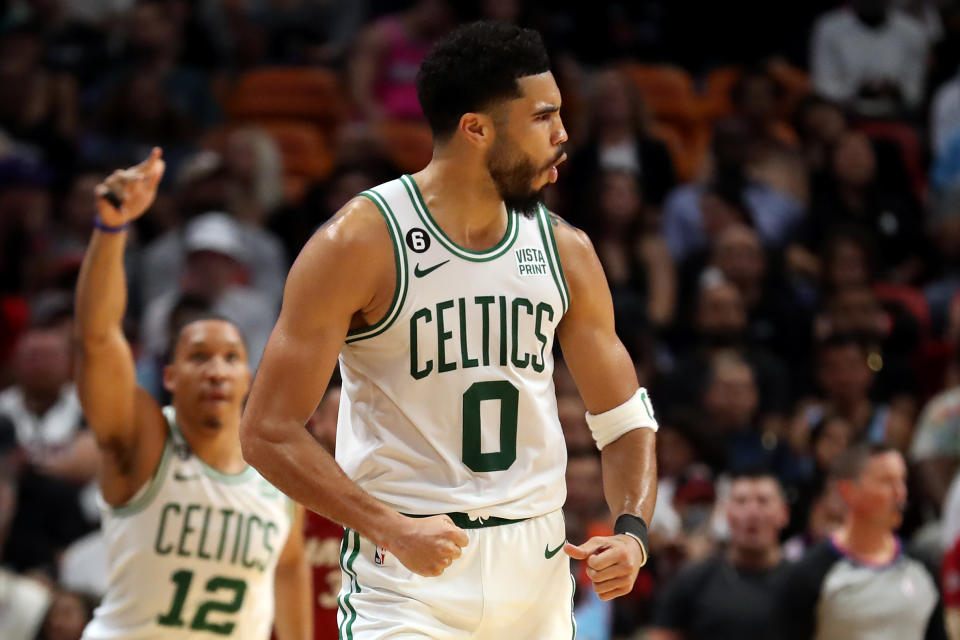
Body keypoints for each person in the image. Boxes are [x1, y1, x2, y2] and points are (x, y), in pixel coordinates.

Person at [239, 22, 658, 639]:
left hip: (536, 570)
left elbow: (624, 421)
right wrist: (388, 526)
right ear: (477, 129)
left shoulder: (566, 251)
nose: (564, 135)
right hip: (409, 575)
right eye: (544, 117)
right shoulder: (359, 243)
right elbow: (266, 432)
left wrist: (632, 534)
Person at [73, 150, 311, 639]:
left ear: (249, 377)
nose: (216, 371)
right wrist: (111, 229)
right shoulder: (143, 439)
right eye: (199, 357)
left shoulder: (281, 476)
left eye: (230, 358)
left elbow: (288, 568)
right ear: (170, 376)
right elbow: (97, 338)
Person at [777, 444, 939, 640]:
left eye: (902, 481)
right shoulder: (810, 573)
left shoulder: (924, 566)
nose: (900, 494)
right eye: (887, 482)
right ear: (848, 491)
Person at [649, 469, 791, 640]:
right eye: (741, 501)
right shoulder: (693, 579)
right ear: (727, 513)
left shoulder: (801, 582)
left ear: (784, 513)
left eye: (763, 501)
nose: (752, 512)